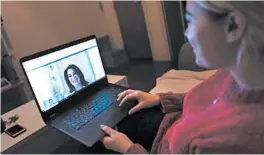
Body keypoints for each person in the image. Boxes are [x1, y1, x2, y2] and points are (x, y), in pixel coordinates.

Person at [97, 1, 264, 154]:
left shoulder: (237, 140)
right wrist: (158, 99)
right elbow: (206, 100)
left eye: (190, 21)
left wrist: (127, 149)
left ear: (233, 26)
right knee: (108, 117)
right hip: (168, 125)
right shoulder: (238, 72)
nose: (186, 34)